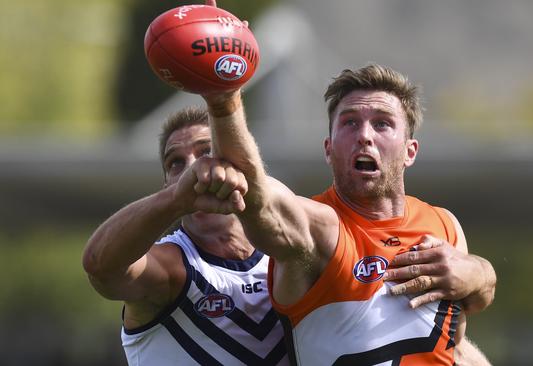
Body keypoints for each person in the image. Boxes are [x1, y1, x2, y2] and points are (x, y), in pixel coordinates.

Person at [82, 106, 492, 365]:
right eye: (176, 163)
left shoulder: (298, 263)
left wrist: (480, 272)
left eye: (207, 152)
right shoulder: (173, 268)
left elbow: (423, 337)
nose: (193, 169)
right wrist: (174, 199)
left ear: (241, 166)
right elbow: (102, 268)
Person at [204, 63, 496, 365]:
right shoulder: (318, 229)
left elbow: (460, 336)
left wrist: (480, 273)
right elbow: (256, 195)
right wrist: (225, 102)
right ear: (329, 149)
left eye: (382, 124)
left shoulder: (444, 225)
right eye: (350, 123)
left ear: (410, 151)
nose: (365, 136)